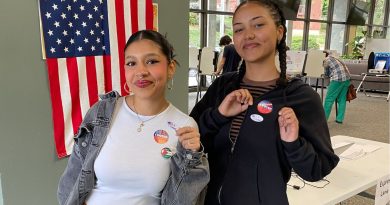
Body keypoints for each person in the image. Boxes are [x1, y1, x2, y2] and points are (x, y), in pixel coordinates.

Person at [190, 1, 339, 204]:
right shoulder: (223, 86)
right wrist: (218, 115)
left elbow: (317, 170)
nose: (248, 35)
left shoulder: (300, 97)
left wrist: (293, 144)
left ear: (279, 32)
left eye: (258, 25)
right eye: (239, 29)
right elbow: (192, 140)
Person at [57, 30, 209, 205]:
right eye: (131, 63)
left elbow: (181, 199)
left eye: (152, 61)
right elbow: (72, 181)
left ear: (171, 68)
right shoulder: (102, 112)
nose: (141, 71)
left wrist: (192, 158)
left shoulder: (184, 126)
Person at [323, 50, 351, 124]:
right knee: (342, 99)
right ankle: (339, 119)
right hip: (347, 79)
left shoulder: (326, 60)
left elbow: (326, 73)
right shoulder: (336, 58)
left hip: (337, 79)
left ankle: (324, 119)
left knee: (329, 99)